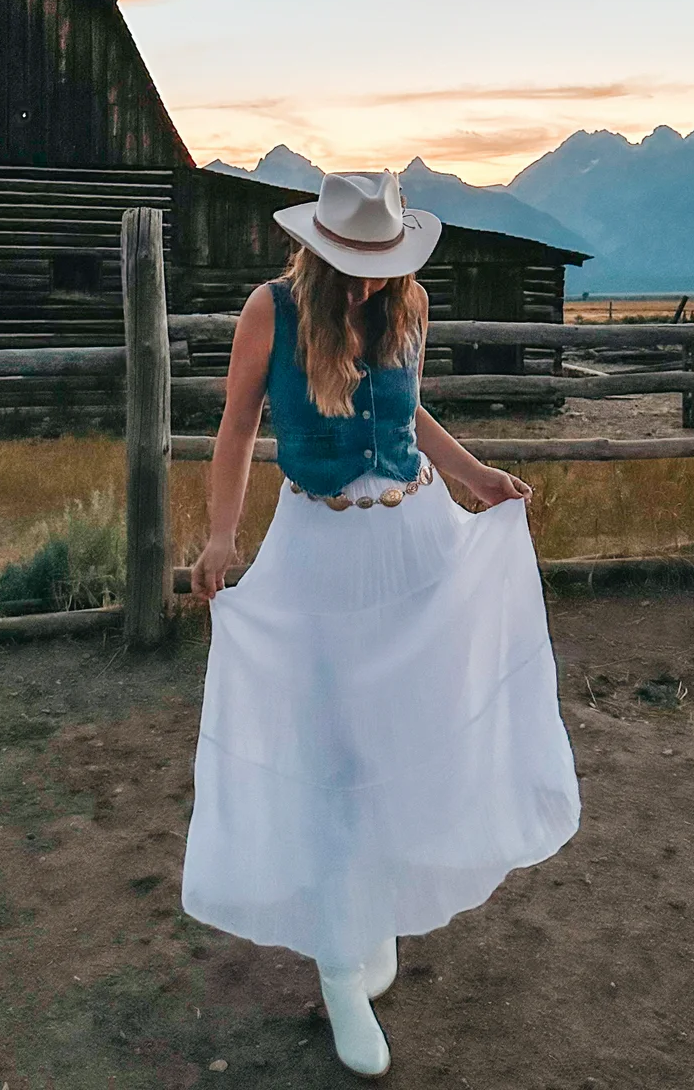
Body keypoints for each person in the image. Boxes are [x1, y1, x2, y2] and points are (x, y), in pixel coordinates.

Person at [181, 170, 581, 1079]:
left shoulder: (412, 305)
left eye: (379, 265)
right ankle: (336, 963)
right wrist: (217, 535)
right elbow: (239, 425)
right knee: (331, 752)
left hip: (413, 537)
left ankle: (372, 918)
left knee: (405, 734)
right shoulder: (271, 311)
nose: (366, 281)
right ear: (318, 250)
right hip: (320, 548)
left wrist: (477, 477)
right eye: (351, 265)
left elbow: (409, 412)